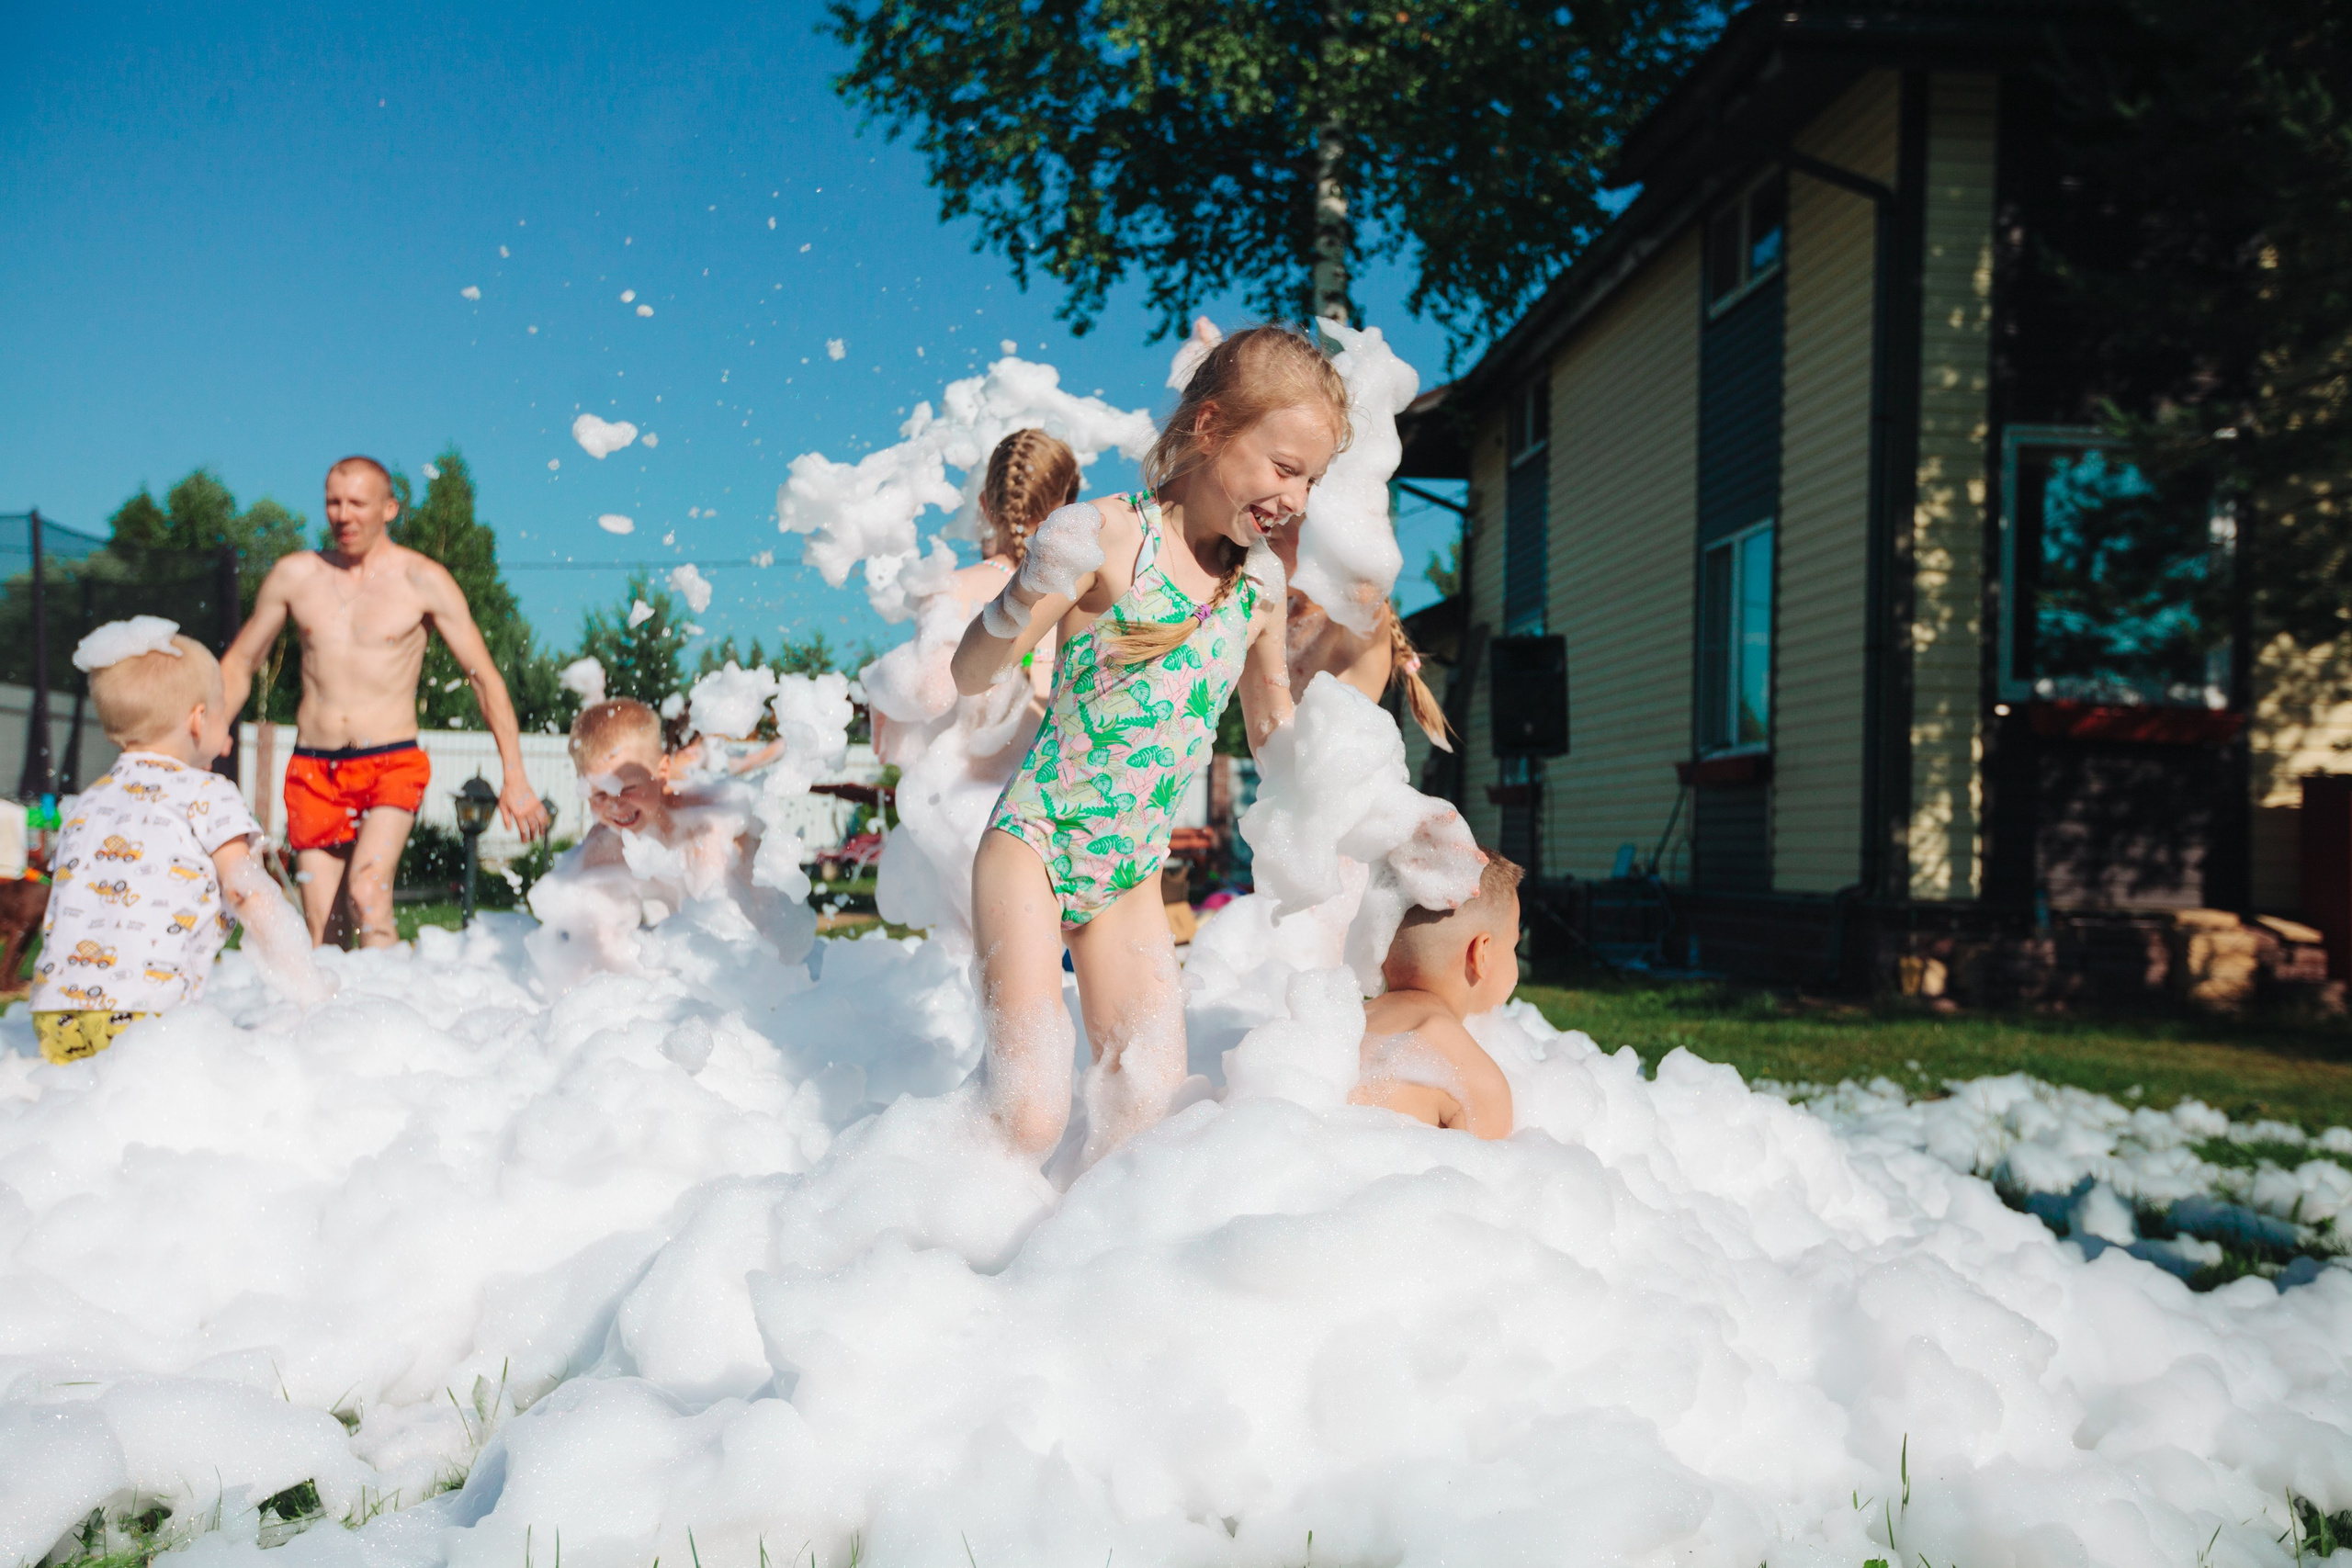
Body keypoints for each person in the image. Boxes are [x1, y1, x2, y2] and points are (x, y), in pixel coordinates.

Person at [951, 324, 1348, 1165]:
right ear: (1209, 428)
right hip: (1035, 842)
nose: (1299, 499)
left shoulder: (1261, 588)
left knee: (1144, 1123)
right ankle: (925, 1247)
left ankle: (1070, 1278)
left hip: (1131, 874)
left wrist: (1350, 776)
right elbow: (968, 672)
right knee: (1027, 1113)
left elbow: (1277, 734)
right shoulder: (1100, 540)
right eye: (1285, 468)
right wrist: (1025, 594)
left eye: (1312, 479)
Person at [220, 456, 549, 950]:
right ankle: (334, 1026)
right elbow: (240, 663)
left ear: (390, 508)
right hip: (314, 768)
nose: (343, 515)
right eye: (333, 502)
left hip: (391, 761)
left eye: (357, 503)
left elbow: (485, 679)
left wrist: (515, 775)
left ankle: (396, 1020)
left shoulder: (423, 580)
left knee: (368, 894)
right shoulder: (296, 575)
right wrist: (199, 749)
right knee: (321, 932)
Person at [29, 620, 322, 1064]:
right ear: (198, 719)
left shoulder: (85, 804)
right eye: (224, 715)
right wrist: (310, 988)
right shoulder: (208, 792)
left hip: (54, 1016)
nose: (225, 740)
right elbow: (248, 891)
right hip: (146, 1014)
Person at [865, 428, 1079, 947]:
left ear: (985, 505)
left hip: (971, 819)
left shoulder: (953, 588)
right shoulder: (1080, 596)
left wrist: (877, 690)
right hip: (1063, 814)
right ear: (1070, 504)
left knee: (977, 982)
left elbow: (930, 690)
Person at [1349, 849, 1520, 1138]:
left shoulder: (1346, 1023)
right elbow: (1490, 1177)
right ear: (1482, 954)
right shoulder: (1474, 1079)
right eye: (1514, 946)